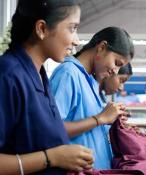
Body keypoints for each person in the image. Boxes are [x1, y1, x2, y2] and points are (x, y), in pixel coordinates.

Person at [0, 0, 95, 174]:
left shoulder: (40, 76)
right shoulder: (8, 75)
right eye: (72, 28)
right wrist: (52, 158)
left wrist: (69, 161)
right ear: (42, 29)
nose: (76, 40)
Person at [49, 27, 134, 169]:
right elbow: (51, 130)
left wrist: (112, 122)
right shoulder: (68, 74)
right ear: (101, 47)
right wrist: (100, 118)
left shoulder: (90, 82)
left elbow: (89, 127)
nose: (115, 71)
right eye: (117, 63)